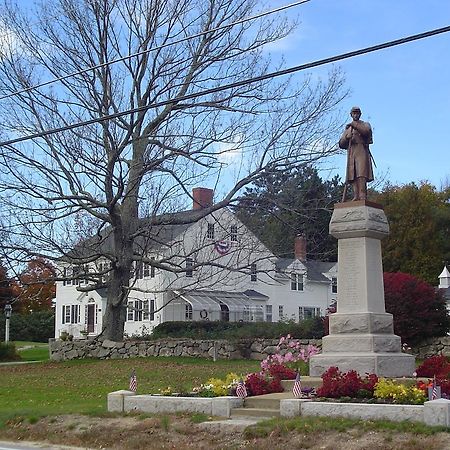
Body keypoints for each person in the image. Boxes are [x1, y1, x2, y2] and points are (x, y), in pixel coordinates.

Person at [339, 106, 374, 201]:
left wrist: (355, 125)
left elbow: (367, 132)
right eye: (354, 113)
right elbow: (341, 144)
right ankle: (356, 195)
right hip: (351, 152)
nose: (355, 115)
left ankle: (362, 195)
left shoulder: (365, 124)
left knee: (361, 173)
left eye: (357, 113)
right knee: (352, 174)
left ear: (360, 114)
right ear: (351, 115)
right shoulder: (348, 129)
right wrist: (346, 137)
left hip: (361, 150)